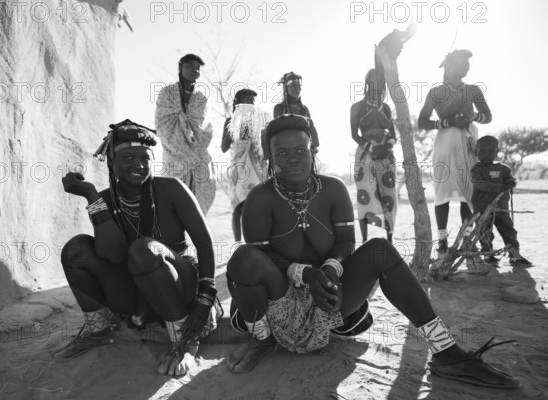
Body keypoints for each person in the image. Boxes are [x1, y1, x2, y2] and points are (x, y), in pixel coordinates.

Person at [224, 114, 519, 390]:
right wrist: (304, 273)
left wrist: (328, 270)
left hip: (331, 299)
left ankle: (446, 351)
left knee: (379, 249)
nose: (292, 160)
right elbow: (259, 260)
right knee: (242, 258)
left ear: (313, 150)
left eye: (300, 150)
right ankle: (260, 339)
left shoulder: (333, 190)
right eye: (282, 154)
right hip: (279, 303)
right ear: (270, 158)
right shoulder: (260, 198)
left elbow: (345, 243)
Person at [55, 119, 221, 377]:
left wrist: (205, 298)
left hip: (180, 287)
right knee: (76, 249)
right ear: (112, 162)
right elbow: (113, 254)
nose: (139, 164)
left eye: (145, 158)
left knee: (144, 250)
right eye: (129, 157)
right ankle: (98, 330)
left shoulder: (171, 189)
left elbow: (204, 243)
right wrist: (91, 195)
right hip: (138, 296)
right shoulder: (106, 199)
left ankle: (184, 339)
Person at [418, 50, 493, 259]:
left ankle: (467, 239)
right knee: (442, 193)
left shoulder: (473, 90)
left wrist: (474, 115)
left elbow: (488, 116)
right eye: (461, 63)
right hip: (445, 145)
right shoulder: (436, 92)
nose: (466, 67)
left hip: (469, 143)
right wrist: (449, 122)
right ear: (448, 66)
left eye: (467, 63)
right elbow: (422, 122)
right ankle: (442, 241)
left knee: (467, 193)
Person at [155, 53, 216, 216]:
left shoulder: (201, 98)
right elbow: (162, 122)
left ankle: (195, 233)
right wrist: (181, 144)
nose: (194, 71)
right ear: (180, 68)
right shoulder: (167, 93)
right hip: (174, 153)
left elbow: (203, 126)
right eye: (189, 66)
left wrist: (194, 144)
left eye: (197, 68)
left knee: (201, 190)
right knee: (173, 200)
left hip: (197, 153)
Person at [350, 68, 397, 243]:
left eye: (380, 79)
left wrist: (387, 147)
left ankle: (390, 238)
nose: (376, 82)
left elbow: (393, 135)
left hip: (386, 154)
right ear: (367, 82)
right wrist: (372, 148)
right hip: (365, 154)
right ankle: (363, 240)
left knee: (388, 194)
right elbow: (355, 135)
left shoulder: (385, 107)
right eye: (372, 79)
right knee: (365, 193)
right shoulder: (357, 107)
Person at [471, 136, 532, 266]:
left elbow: (511, 179)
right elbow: (480, 184)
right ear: (476, 151)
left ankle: (514, 255)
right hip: (483, 209)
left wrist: (511, 182)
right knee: (485, 232)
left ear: (496, 151)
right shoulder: (476, 169)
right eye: (482, 151)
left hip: (502, 208)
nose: (486, 154)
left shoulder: (504, 168)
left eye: (490, 151)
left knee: (508, 231)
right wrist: (499, 187)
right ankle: (488, 254)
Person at [221, 88, 269, 242]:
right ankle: (237, 243)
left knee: (259, 204)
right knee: (237, 208)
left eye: (252, 102)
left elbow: (264, 145)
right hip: (238, 167)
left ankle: (260, 241)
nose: (250, 104)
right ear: (237, 103)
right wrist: (234, 125)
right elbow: (223, 147)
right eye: (246, 101)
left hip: (256, 166)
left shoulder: (259, 122)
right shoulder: (230, 121)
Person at [273, 72, 320, 153]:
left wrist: (314, 146)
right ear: (286, 89)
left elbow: (311, 129)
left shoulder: (304, 109)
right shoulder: (279, 108)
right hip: (285, 150)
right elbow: (277, 132)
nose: (297, 89)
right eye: (293, 86)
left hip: (304, 149)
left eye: (298, 86)